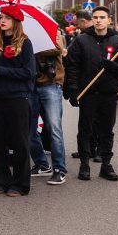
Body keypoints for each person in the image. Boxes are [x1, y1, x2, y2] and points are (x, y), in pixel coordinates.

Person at [66, 5, 118, 182]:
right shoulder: (82, 40)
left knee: (106, 130)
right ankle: (84, 164)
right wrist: (73, 89)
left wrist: (113, 67)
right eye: (95, 17)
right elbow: (72, 66)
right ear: (92, 19)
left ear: (109, 20)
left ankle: (106, 165)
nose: (98, 20)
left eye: (102, 17)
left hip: (108, 94)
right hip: (88, 93)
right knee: (85, 130)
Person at [0, 4, 35, 197]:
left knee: (20, 142)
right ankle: (0, 180)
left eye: (6, 17)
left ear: (15, 21)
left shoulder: (25, 43)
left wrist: (0, 70)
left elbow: (28, 72)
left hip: (18, 99)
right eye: (0, 17)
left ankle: (20, 184)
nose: (2, 21)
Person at [29, 30, 68, 185]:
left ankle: (59, 169)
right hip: (31, 84)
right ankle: (42, 164)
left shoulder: (52, 30)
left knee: (53, 128)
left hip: (51, 85)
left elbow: (57, 48)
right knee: (28, 128)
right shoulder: (23, 33)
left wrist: (31, 46)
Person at [66, 10, 99, 161]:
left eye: (77, 22)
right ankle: (89, 150)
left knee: (94, 122)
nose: (76, 25)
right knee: (89, 122)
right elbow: (73, 62)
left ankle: (94, 151)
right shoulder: (81, 38)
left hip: (96, 86)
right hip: (88, 86)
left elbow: (72, 61)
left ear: (83, 21)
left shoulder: (87, 38)